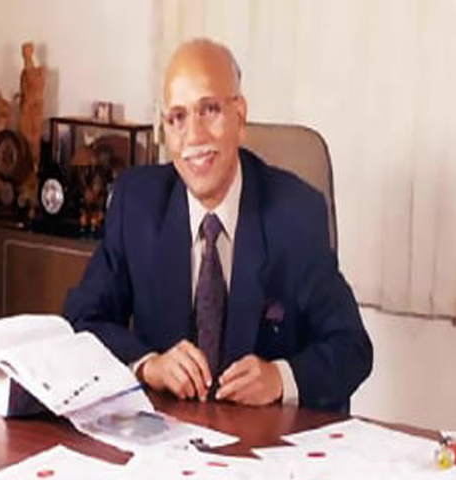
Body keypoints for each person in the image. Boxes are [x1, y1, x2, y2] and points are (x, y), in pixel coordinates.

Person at [63, 38, 372, 412]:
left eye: (209, 110)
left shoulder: (295, 213)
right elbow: (81, 319)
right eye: (177, 118)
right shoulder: (137, 203)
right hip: (166, 435)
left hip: (262, 438)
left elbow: (351, 347)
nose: (194, 136)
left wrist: (281, 378)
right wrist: (147, 365)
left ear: (239, 117)